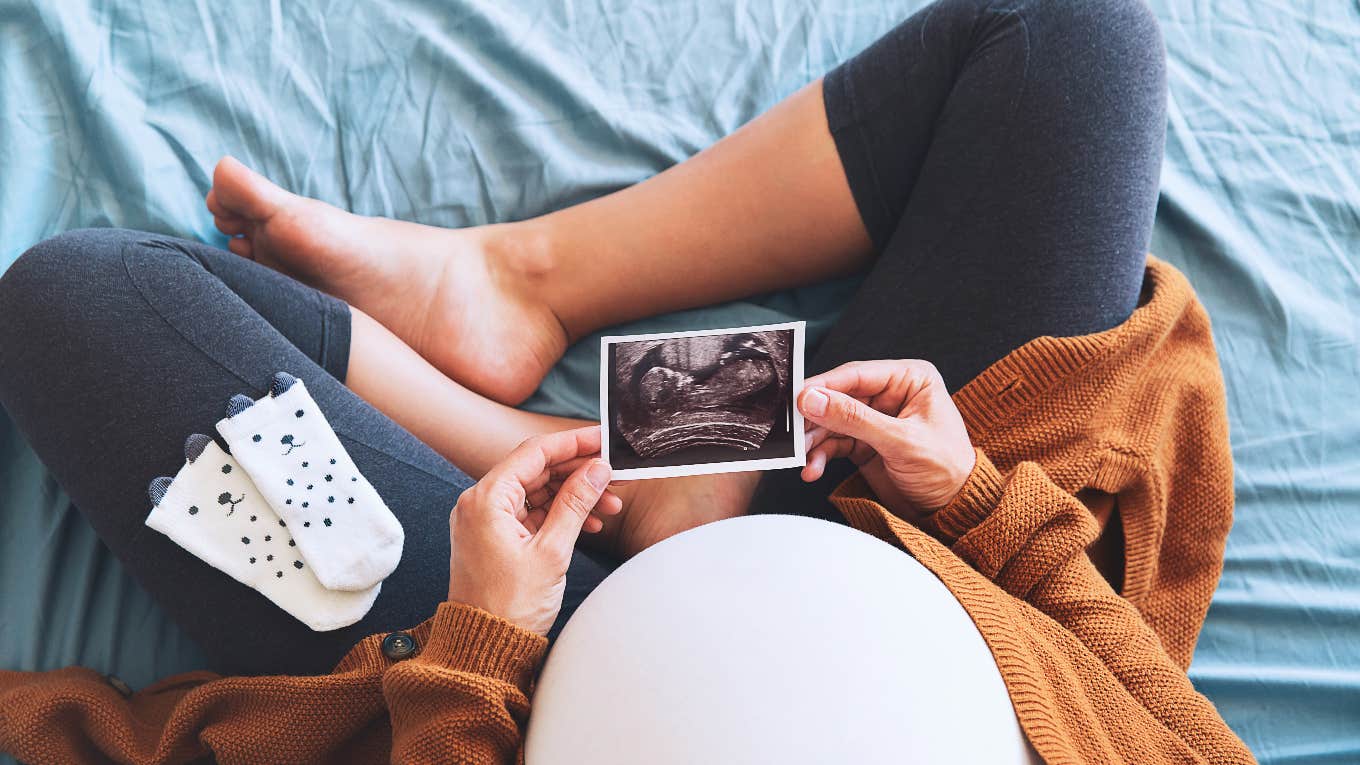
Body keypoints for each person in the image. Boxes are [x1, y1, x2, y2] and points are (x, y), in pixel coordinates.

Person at [0, 0, 1254, 761]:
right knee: (1065, 45)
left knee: (78, 302)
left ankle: (610, 459)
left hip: (529, 683)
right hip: (911, 563)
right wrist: (978, 498)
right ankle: (533, 295)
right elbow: (1147, 724)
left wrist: (483, 647)